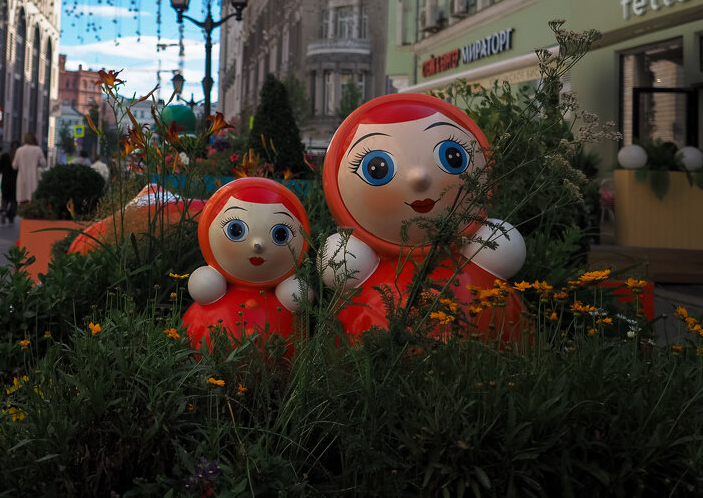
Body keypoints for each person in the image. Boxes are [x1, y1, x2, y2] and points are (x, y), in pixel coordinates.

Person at [320, 93, 526, 342]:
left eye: (452, 156)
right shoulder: (360, 268)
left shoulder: (483, 258)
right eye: (377, 168)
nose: (419, 177)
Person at [183, 178, 310, 350]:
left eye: (280, 234)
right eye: (236, 230)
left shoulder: (287, 293)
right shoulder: (212, 288)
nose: (257, 245)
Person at [12, 131, 46, 206]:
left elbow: (14, 166)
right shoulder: (37, 149)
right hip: (33, 180)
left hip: (22, 181)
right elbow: (43, 163)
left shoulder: (19, 150)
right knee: (32, 202)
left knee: (22, 203)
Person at [0, 141, 20, 225]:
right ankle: (11, 215)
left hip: (5, 182)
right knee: (14, 201)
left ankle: (3, 211)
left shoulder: (4, 156)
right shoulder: (18, 157)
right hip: (16, 183)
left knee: (4, 199)